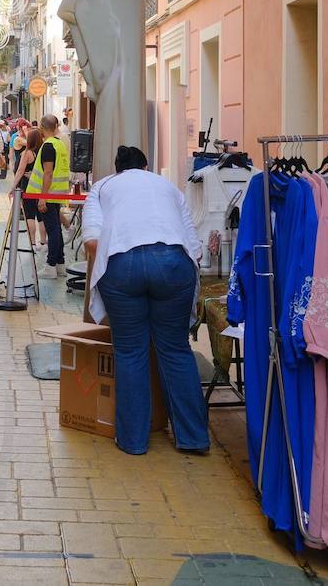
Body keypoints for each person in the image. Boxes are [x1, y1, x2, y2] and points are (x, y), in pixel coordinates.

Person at [82, 145, 209, 456]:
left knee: (130, 352)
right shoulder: (167, 187)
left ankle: (133, 441)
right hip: (175, 264)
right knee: (176, 349)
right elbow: (197, 249)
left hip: (122, 265)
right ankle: (193, 437)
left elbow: (92, 244)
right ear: (146, 166)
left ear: (117, 168)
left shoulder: (102, 187)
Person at [30, 114, 72, 280]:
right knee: (56, 230)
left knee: (52, 230)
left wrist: (42, 197)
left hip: (48, 194)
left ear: (41, 127)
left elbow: (48, 172)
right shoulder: (59, 144)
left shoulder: (48, 146)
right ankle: (60, 264)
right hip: (57, 193)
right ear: (56, 127)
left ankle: (51, 266)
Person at [10, 128, 47, 250]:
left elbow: (20, 170)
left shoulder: (27, 153)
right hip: (41, 186)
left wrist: (13, 186)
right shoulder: (43, 152)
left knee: (30, 215)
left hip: (28, 187)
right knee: (41, 216)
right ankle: (43, 242)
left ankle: (33, 243)